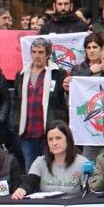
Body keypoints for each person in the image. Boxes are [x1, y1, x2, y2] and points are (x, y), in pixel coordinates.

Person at [13, 37, 67, 167]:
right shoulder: (21, 75)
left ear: (48, 54)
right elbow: (16, 102)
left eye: (41, 52)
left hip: (50, 132)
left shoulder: (58, 74)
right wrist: (15, 121)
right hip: (27, 131)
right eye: (34, 52)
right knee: (30, 170)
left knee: (52, 168)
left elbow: (64, 103)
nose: (37, 56)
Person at [10, 122, 90, 199]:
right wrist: (21, 190)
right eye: (50, 139)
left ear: (68, 140)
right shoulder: (40, 162)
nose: (54, 143)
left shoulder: (82, 163)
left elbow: (89, 191)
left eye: (58, 138)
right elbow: (30, 181)